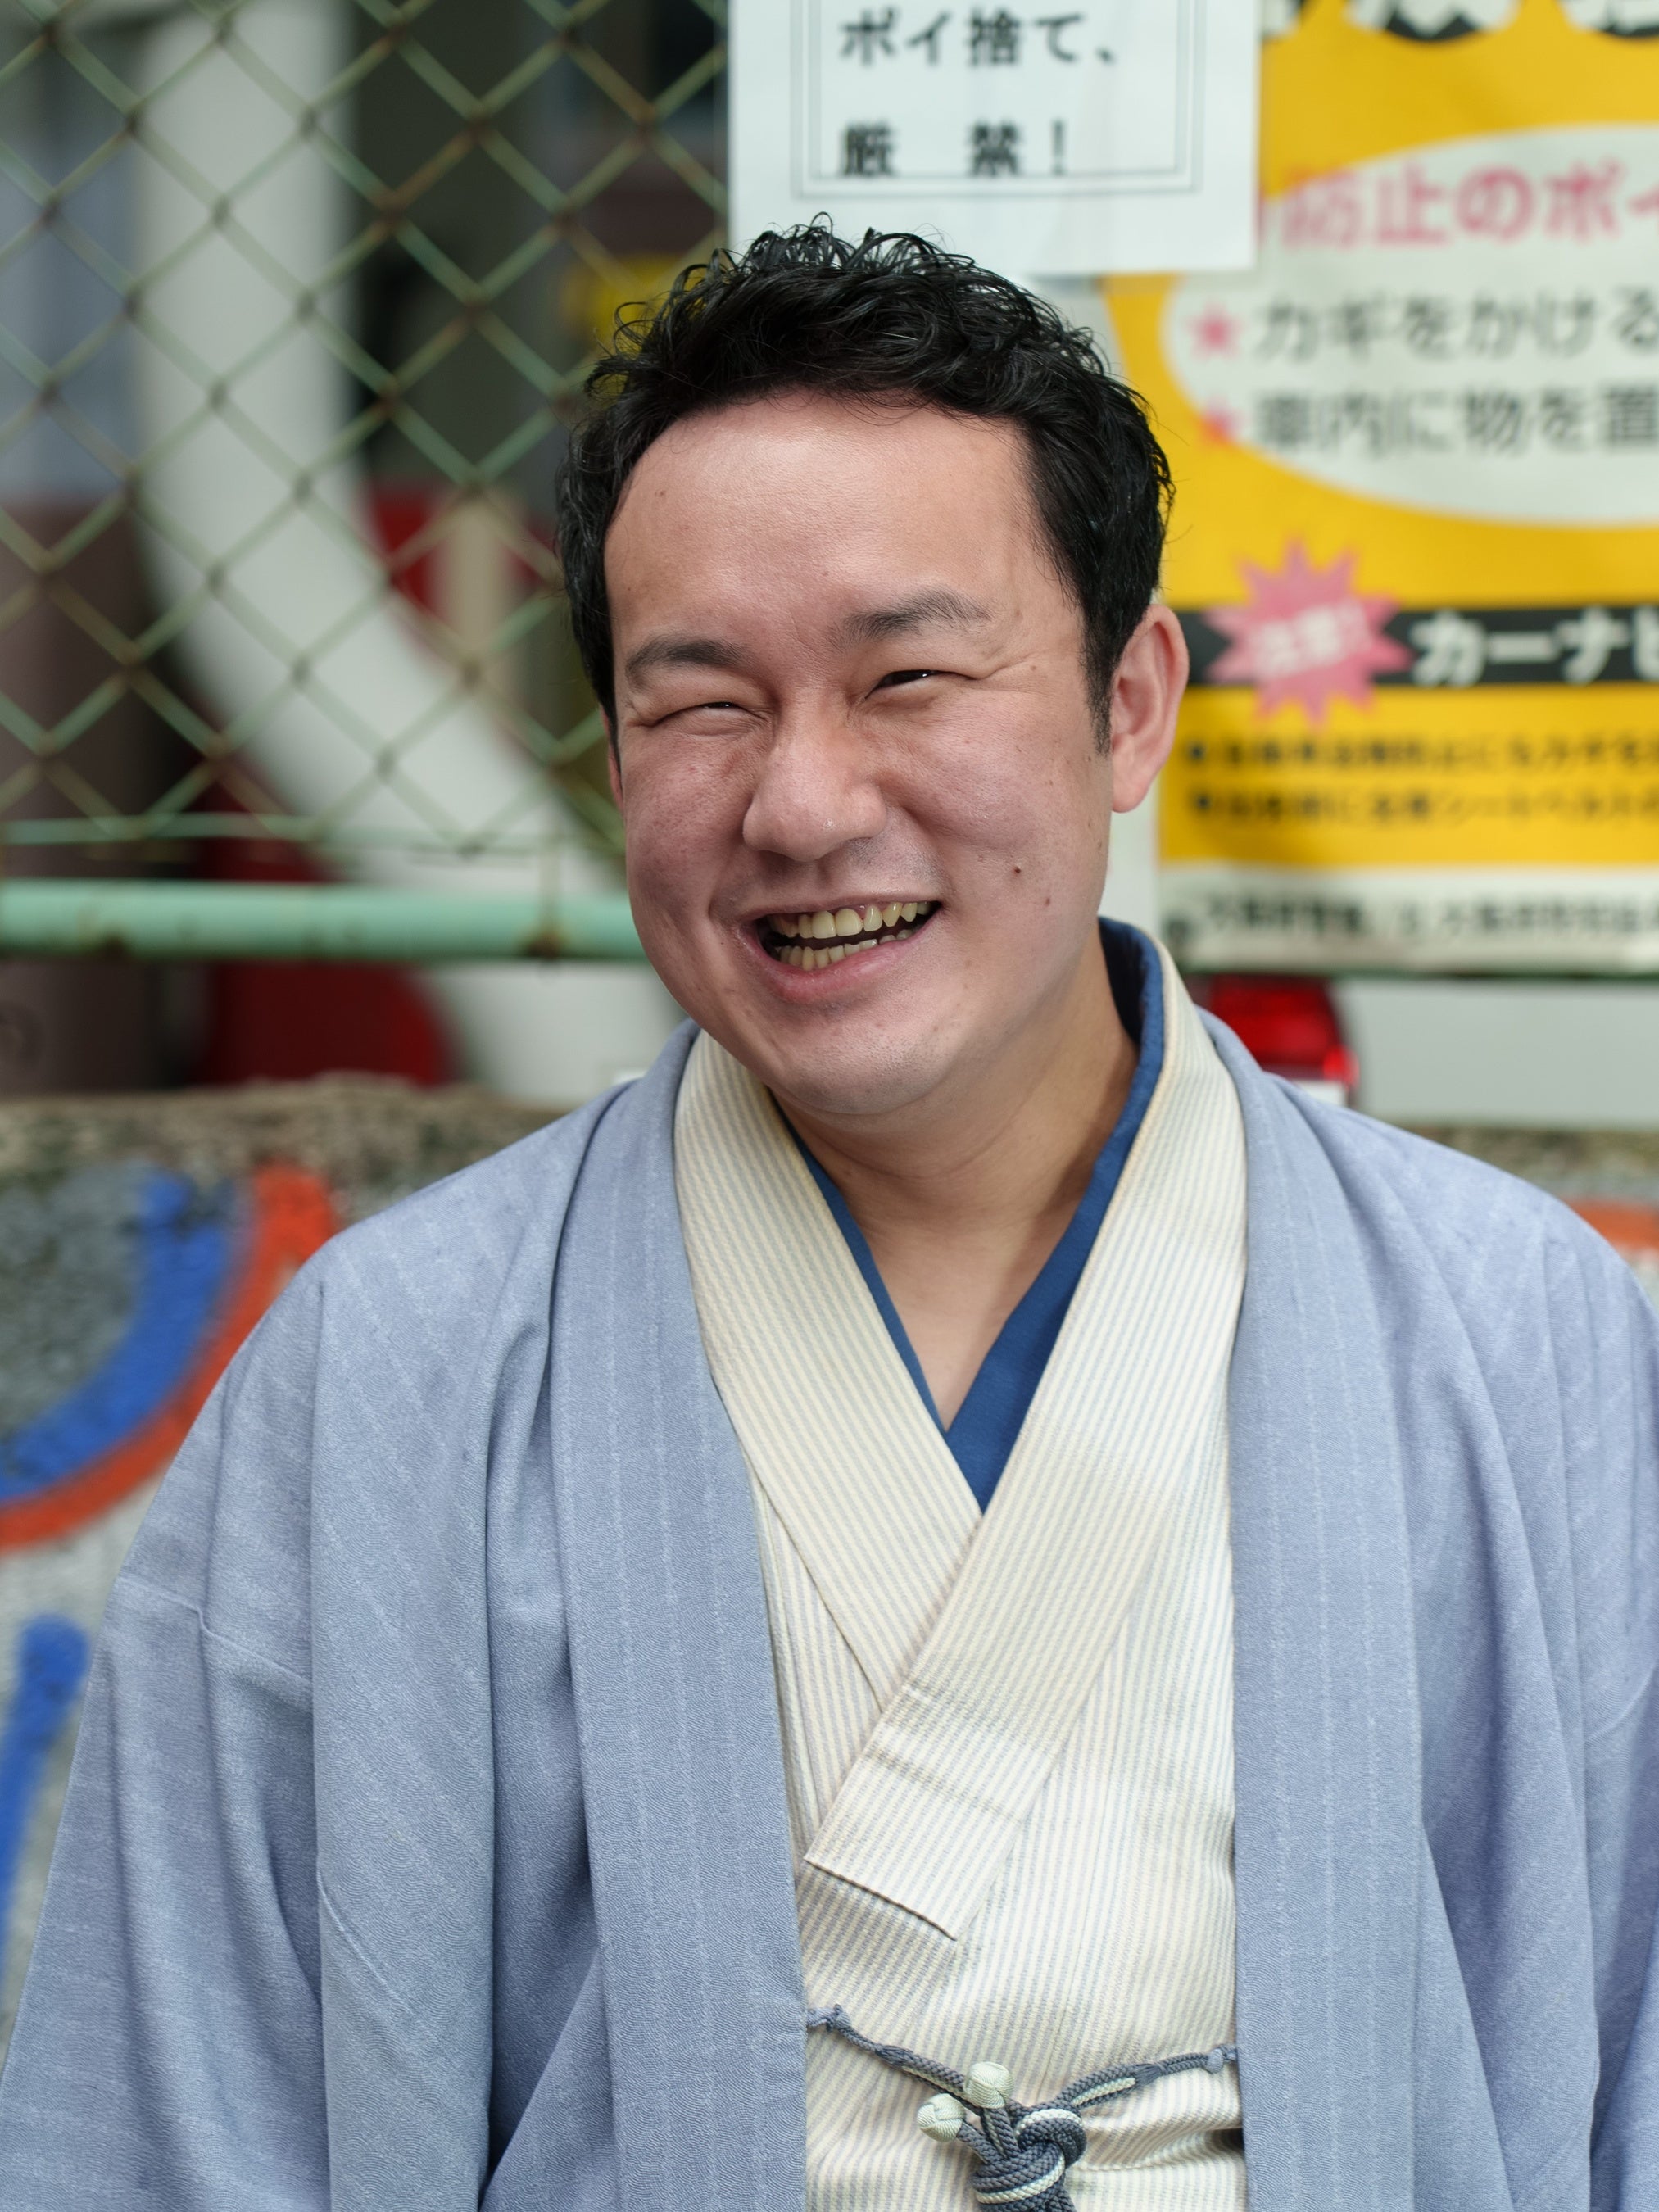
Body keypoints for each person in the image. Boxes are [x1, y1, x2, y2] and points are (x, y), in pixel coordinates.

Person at [1, 225, 1656, 2212]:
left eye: (908, 678)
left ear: (1130, 703)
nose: (799, 807)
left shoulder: (1512, 1329)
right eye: (701, 704)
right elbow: (187, 2119)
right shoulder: (390, 1375)